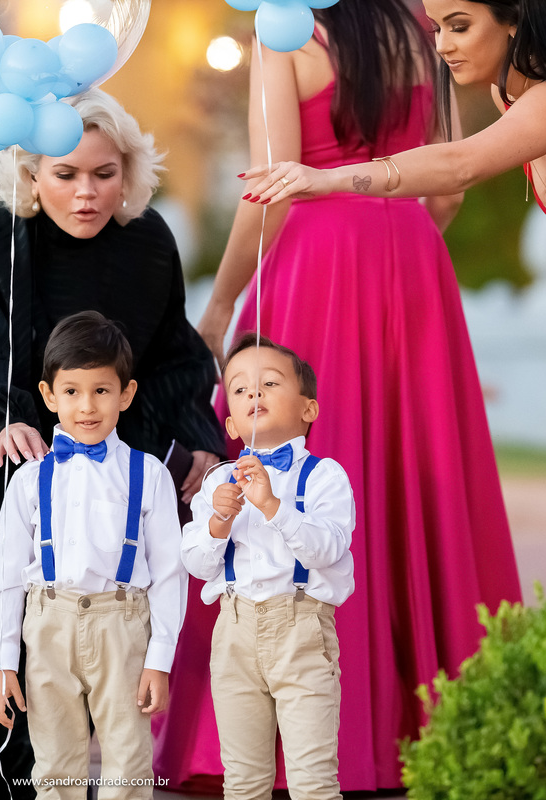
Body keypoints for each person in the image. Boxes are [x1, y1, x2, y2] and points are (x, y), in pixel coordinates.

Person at [168, 1, 520, 791]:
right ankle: (429, 725)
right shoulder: (421, 26)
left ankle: (297, 739)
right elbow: (449, 185)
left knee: (292, 456)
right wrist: (399, 240)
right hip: (410, 254)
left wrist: (219, 306)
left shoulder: (286, 31)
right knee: (414, 477)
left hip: (317, 260)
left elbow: (272, 189)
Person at [242, 0, 546, 594]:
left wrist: (327, 178)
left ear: (514, 19)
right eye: (436, 29)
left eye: (459, 26)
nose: (442, 46)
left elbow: (458, 166)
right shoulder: (516, 98)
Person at [0, 90, 224, 799]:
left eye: (104, 173)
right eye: (66, 174)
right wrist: (2, 417)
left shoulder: (151, 241)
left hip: (96, 421)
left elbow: (170, 354)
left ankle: (47, 759)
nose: (86, 193)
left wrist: (192, 444)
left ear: (129, 173)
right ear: (33, 175)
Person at [0, 311, 186, 799]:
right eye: (71, 391)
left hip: (123, 626)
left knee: (128, 760)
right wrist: (3, 661)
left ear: (126, 394)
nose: (87, 406)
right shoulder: (29, 479)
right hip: (48, 625)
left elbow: (169, 573)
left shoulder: (149, 474)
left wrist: (160, 658)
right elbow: (5, 576)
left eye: (101, 390)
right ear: (49, 395)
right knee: (55, 763)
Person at [182, 334, 355, 800]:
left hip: (302, 629)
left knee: (313, 779)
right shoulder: (218, 481)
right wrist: (219, 521)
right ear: (231, 423)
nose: (254, 393)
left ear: (308, 409)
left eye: (270, 383)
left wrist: (274, 506)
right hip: (234, 631)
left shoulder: (324, 476)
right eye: (240, 388)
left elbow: (327, 549)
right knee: (243, 779)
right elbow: (196, 563)